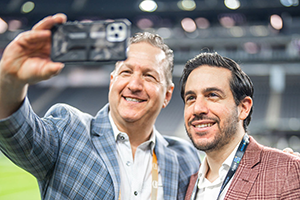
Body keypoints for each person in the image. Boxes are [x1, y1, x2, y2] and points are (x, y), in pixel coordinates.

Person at [0, 14, 200, 200]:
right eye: (126, 72)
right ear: (112, 81)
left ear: (167, 95)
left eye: (149, 76)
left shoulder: (184, 159)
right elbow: (16, 131)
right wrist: (10, 80)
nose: (134, 85)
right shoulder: (68, 130)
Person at [181, 52, 300, 200]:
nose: (197, 108)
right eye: (190, 98)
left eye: (212, 95)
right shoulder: (188, 184)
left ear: (243, 108)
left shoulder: (286, 172)